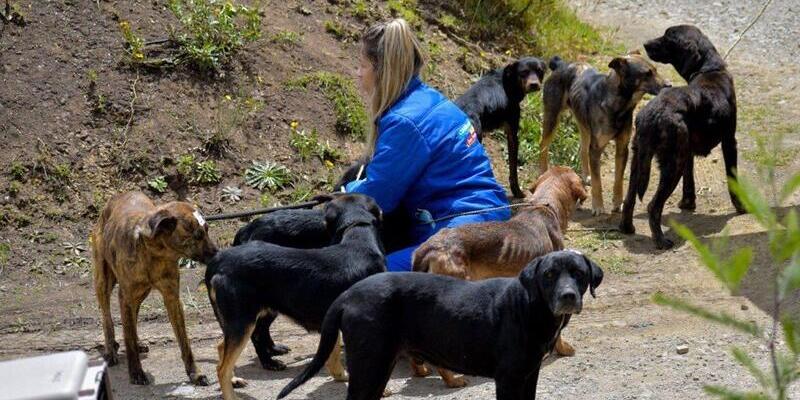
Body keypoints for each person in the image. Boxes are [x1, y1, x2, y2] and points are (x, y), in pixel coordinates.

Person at [345, 18, 510, 272]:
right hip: (489, 222)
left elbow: (376, 198)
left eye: (362, 65)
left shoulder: (404, 122)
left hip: (460, 236)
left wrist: (345, 191)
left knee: (362, 276)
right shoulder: (430, 99)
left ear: (382, 70)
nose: (358, 73)